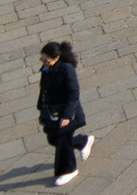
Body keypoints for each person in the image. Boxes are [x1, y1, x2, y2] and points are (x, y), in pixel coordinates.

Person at [35, 41, 93, 186]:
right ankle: (82, 141)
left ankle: (68, 170)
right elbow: (43, 89)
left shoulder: (67, 70)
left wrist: (67, 116)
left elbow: (73, 94)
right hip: (52, 111)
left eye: (46, 61)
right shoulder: (47, 69)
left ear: (56, 58)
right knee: (53, 139)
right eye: (42, 60)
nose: (44, 63)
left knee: (61, 139)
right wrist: (41, 106)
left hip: (69, 112)